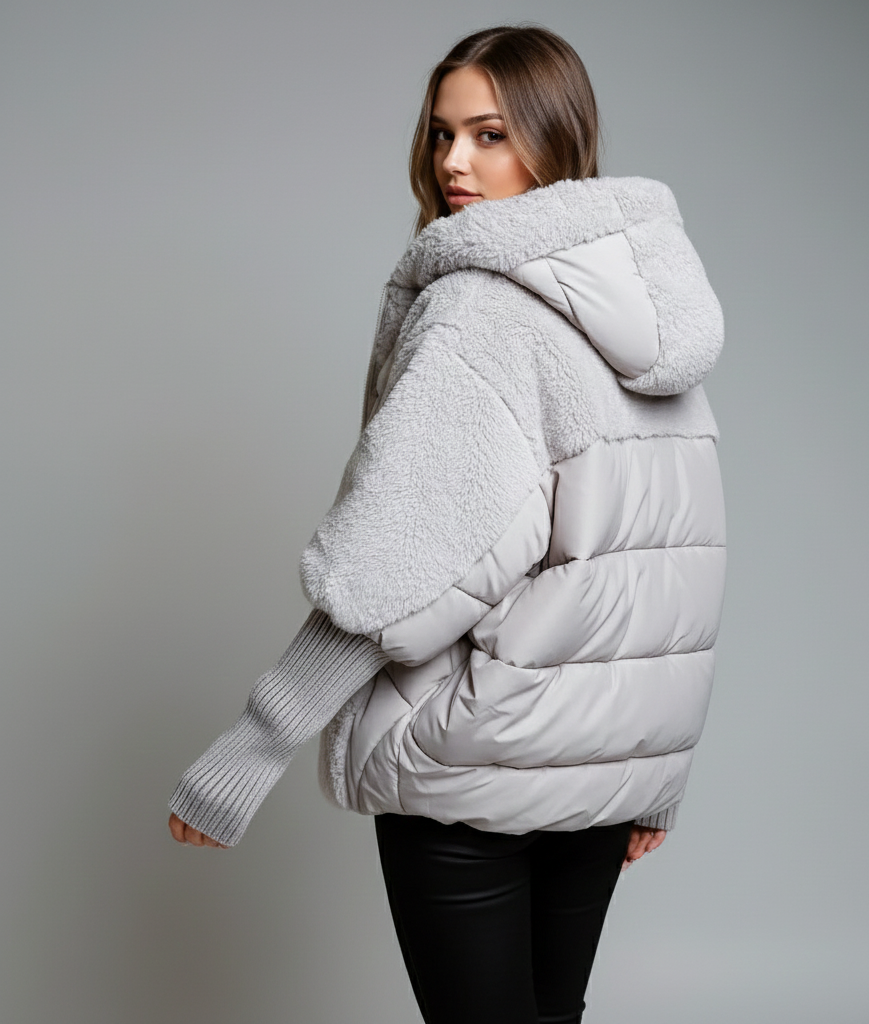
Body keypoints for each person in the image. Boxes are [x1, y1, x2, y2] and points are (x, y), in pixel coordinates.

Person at [168, 23, 726, 1024]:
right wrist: (651, 778)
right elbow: (669, 568)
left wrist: (255, 745)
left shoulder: (479, 310)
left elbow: (401, 564)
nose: (453, 162)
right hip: (603, 775)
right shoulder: (653, 308)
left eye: (489, 134)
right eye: (441, 134)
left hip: (475, 764)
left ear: (556, 137)